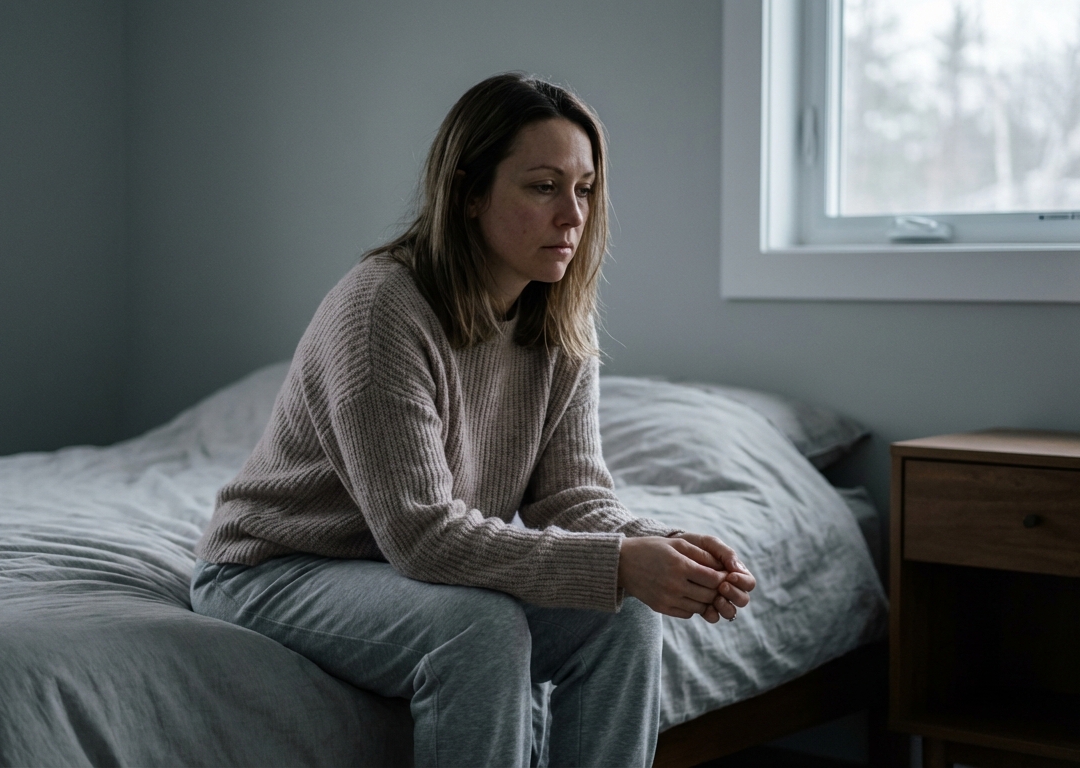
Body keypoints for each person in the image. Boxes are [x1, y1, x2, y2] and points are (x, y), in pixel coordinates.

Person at [190, 72, 756, 768]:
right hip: (276, 570)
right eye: (543, 186)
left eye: (584, 189)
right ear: (468, 193)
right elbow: (422, 534)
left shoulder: (558, 320)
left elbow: (572, 496)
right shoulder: (381, 309)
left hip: (403, 575)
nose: (572, 216)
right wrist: (614, 561)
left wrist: (658, 548)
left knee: (625, 616)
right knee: (478, 629)